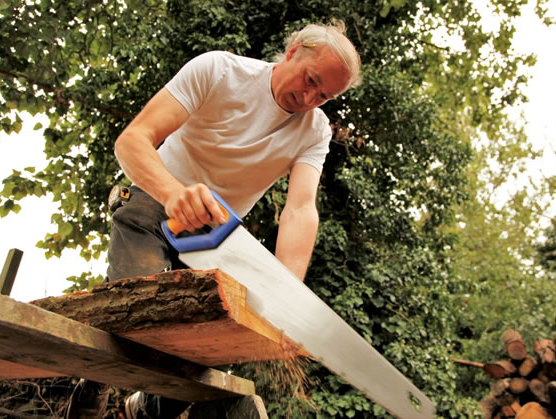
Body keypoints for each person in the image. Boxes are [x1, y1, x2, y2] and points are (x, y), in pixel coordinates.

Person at [65, 19, 361, 419]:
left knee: (219, 339)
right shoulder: (219, 70)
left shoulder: (315, 131)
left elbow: (301, 208)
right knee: (138, 308)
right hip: (155, 203)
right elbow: (133, 140)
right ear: (292, 52)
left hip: (215, 238)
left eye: (323, 96)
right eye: (309, 80)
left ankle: (146, 407)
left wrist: (287, 291)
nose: (308, 98)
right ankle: (94, 381)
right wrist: (174, 194)